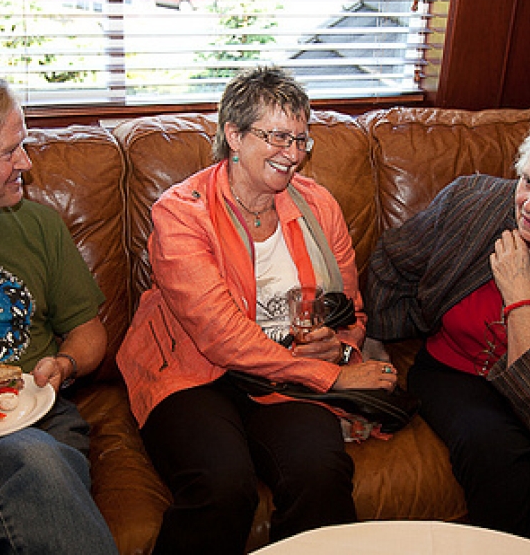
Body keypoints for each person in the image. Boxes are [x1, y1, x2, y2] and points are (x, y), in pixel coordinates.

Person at [117, 65, 396, 555]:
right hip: (193, 372)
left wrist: (340, 347)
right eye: (277, 137)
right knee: (224, 486)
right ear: (233, 135)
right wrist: (331, 379)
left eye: (302, 140)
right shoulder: (181, 212)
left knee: (321, 470)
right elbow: (220, 336)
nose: (292, 154)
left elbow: (347, 308)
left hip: (286, 374)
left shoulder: (318, 206)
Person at [363, 107, 530, 554]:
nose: (529, 204)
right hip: (457, 372)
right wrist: (374, 339)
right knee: (491, 453)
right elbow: (392, 260)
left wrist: (521, 299)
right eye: (528, 181)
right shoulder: (471, 204)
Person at [0, 77, 119, 554]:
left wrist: (63, 365)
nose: (26, 161)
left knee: (37, 459)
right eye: (11, 150)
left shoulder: (39, 224)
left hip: (36, 417)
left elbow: (88, 332)